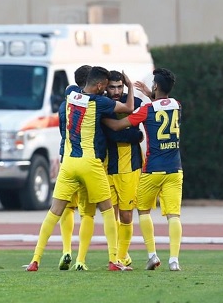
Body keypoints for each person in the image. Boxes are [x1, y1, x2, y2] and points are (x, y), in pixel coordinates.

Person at [25, 65, 135, 271]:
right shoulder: (100, 102)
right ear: (101, 85)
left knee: (54, 212)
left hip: (69, 163)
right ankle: (114, 260)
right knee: (108, 210)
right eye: (105, 86)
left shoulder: (70, 96)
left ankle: (35, 260)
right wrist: (130, 87)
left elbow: (72, 91)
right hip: (90, 162)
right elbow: (128, 108)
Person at [103, 68, 183, 271]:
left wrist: (103, 120)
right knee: (173, 216)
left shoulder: (146, 111)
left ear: (155, 86)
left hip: (152, 169)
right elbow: (163, 103)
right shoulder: (177, 105)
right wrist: (150, 94)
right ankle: (174, 260)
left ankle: (152, 255)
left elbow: (119, 126)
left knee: (144, 211)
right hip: (175, 169)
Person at [102, 70, 144, 267]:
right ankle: (118, 257)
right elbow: (115, 135)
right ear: (105, 86)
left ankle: (122, 255)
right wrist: (133, 136)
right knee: (112, 215)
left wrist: (133, 135)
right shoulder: (102, 105)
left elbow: (133, 133)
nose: (116, 91)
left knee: (127, 215)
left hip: (130, 168)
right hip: (107, 168)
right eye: (112, 87)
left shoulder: (135, 102)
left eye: (120, 86)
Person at [56, 65, 92, 270]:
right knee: (88, 212)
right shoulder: (93, 103)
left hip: (66, 158)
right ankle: (81, 259)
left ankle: (66, 250)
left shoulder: (65, 104)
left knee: (66, 208)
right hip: (87, 161)